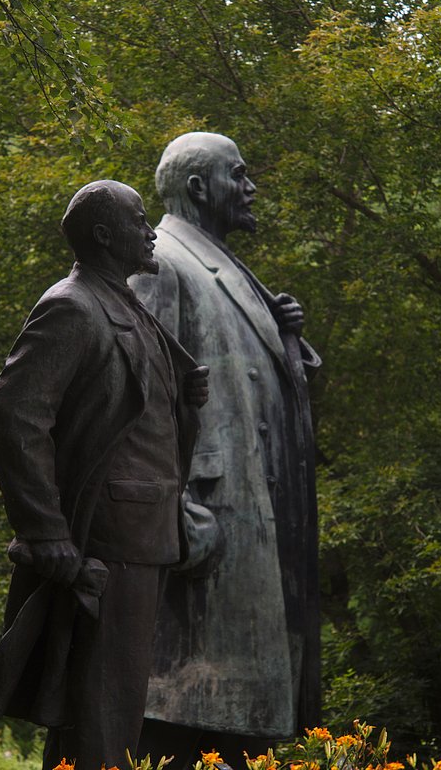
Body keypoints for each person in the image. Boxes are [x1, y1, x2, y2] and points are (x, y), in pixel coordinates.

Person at [0, 180, 209, 770]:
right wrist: (46, 532)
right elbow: (16, 411)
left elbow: (134, 416)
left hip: (147, 536)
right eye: (140, 219)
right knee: (102, 715)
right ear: (104, 235)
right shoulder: (72, 306)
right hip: (107, 541)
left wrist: (184, 398)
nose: (151, 231)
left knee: (112, 713)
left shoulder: (126, 306)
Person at [129, 132, 321, 764]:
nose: (250, 187)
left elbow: (251, 383)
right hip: (209, 534)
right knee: (184, 722)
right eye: (238, 176)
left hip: (256, 527)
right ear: (198, 187)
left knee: (242, 728)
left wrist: (287, 340)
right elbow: (139, 407)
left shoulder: (223, 264)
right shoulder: (160, 263)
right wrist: (180, 521)